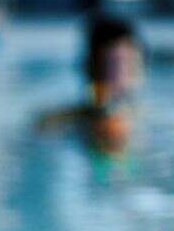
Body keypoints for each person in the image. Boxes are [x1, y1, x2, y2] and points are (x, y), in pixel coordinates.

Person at [37, 14, 145, 154]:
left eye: (133, 63)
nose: (125, 74)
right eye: (116, 65)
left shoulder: (143, 120)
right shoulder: (56, 123)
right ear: (90, 68)